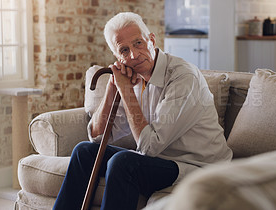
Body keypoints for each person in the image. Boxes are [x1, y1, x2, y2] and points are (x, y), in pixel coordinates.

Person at [53, 12, 232, 210]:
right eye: (124, 50)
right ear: (117, 57)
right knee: (83, 152)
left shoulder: (182, 77)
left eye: (138, 43)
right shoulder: (133, 78)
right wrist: (113, 89)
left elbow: (149, 147)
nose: (133, 55)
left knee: (124, 163)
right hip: (159, 161)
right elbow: (97, 137)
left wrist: (127, 92)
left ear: (152, 40)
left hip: (197, 166)